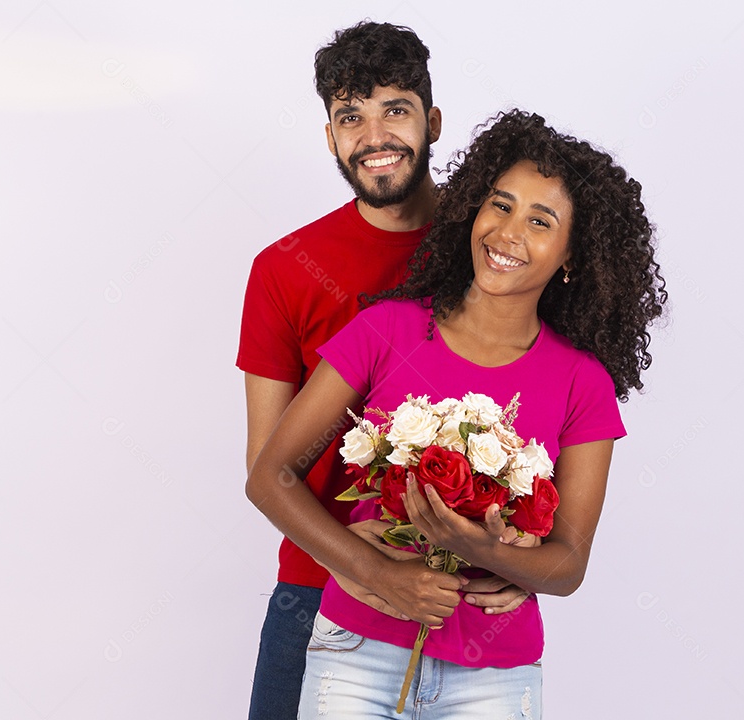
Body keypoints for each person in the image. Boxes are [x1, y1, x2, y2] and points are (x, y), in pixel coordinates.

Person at [246, 109, 667, 718]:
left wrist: (488, 552)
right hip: (355, 650)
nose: (508, 231)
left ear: (572, 256)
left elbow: (569, 562)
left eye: (539, 220)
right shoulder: (386, 329)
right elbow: (270, 476)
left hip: (493, 678)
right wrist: (371, 569)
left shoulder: (584, 383)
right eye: (499, 205)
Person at [237, 22, 529, 719]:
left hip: (459, 590)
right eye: (350, 117)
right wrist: (363, 566)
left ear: (430, 121)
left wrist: (526, 554)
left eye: (394, 109)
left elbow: (549, 393)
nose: (374, 135)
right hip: (316, 590)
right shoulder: (283, 269)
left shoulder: (492, 251)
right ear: (331, 136)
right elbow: (264, 467)